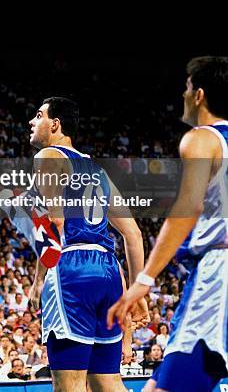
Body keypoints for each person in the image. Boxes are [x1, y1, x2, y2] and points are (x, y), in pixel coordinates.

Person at [108, 56, 228, 392]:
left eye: (187, 88)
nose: (183, 94)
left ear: (199, 94)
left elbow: (188, 207)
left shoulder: (202, 138)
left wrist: (144, 279)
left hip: (219, 277)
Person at [27, 97, 149, 392]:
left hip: (72, 269)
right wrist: (136, 290)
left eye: (39, 115)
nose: (32, 122)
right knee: (107, 382)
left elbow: (53, 222)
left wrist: (38, 279)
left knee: (69, 385)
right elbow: (133, 234)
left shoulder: (47, 157)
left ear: (55, 124)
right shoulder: (98, 171)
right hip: (108, 272)